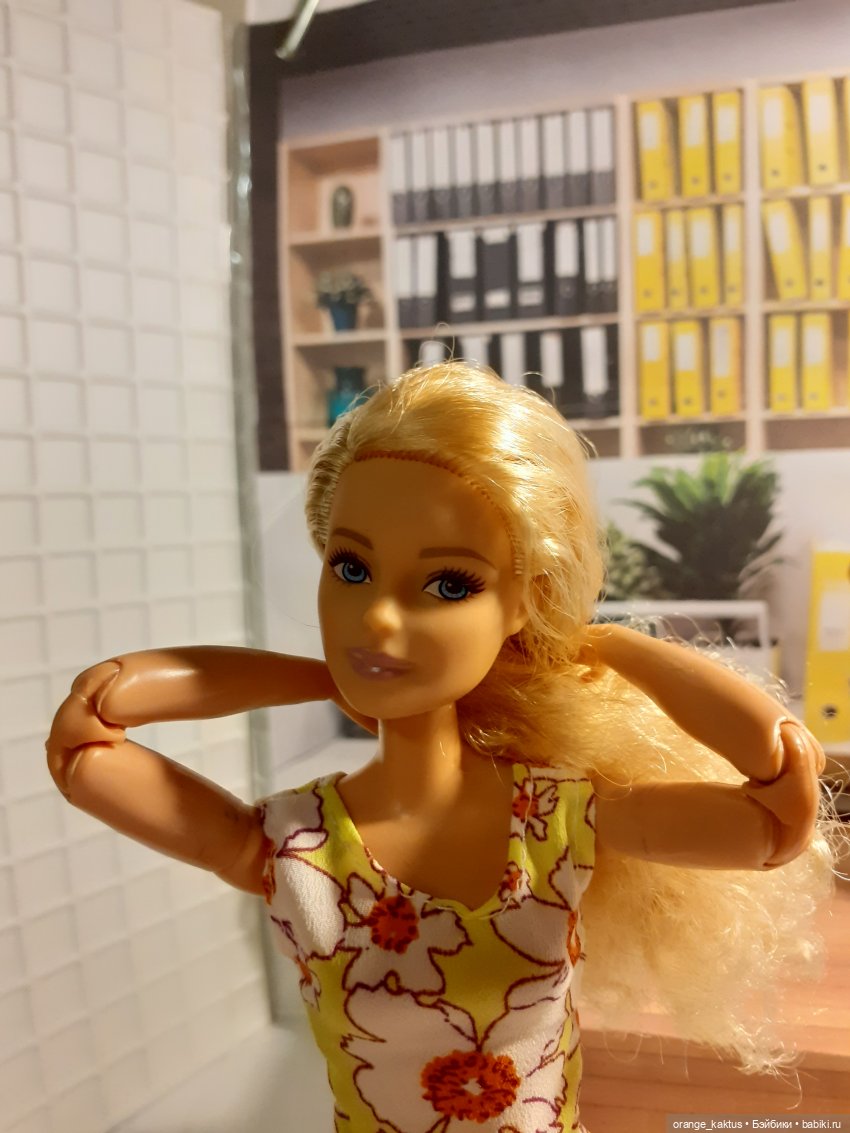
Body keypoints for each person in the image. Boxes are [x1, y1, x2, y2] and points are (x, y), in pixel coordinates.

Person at [47, 362, 837, 1133]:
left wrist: (611, 645)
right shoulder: (294, 846)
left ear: (524, 599)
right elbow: (87, 738)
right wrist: (323, 677)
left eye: (450, 583)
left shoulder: (553, 822)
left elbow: (776, 810)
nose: (378, 619)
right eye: (351, 567)